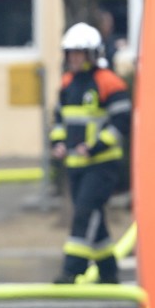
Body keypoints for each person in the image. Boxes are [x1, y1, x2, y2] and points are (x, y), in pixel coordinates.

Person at [49, 22, 132, 284]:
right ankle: (108, 271)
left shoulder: (110, 83)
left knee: (84, 212)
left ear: (92, 54)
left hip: (102, 165)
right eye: (70, 53)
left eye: (78, 53)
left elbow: (122, 123)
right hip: (75, 164)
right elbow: (59, 120)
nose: (73, 58)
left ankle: (72, 269)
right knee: (94, 215)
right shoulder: (67, 84)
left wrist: (96, 146)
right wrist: (58, 143)